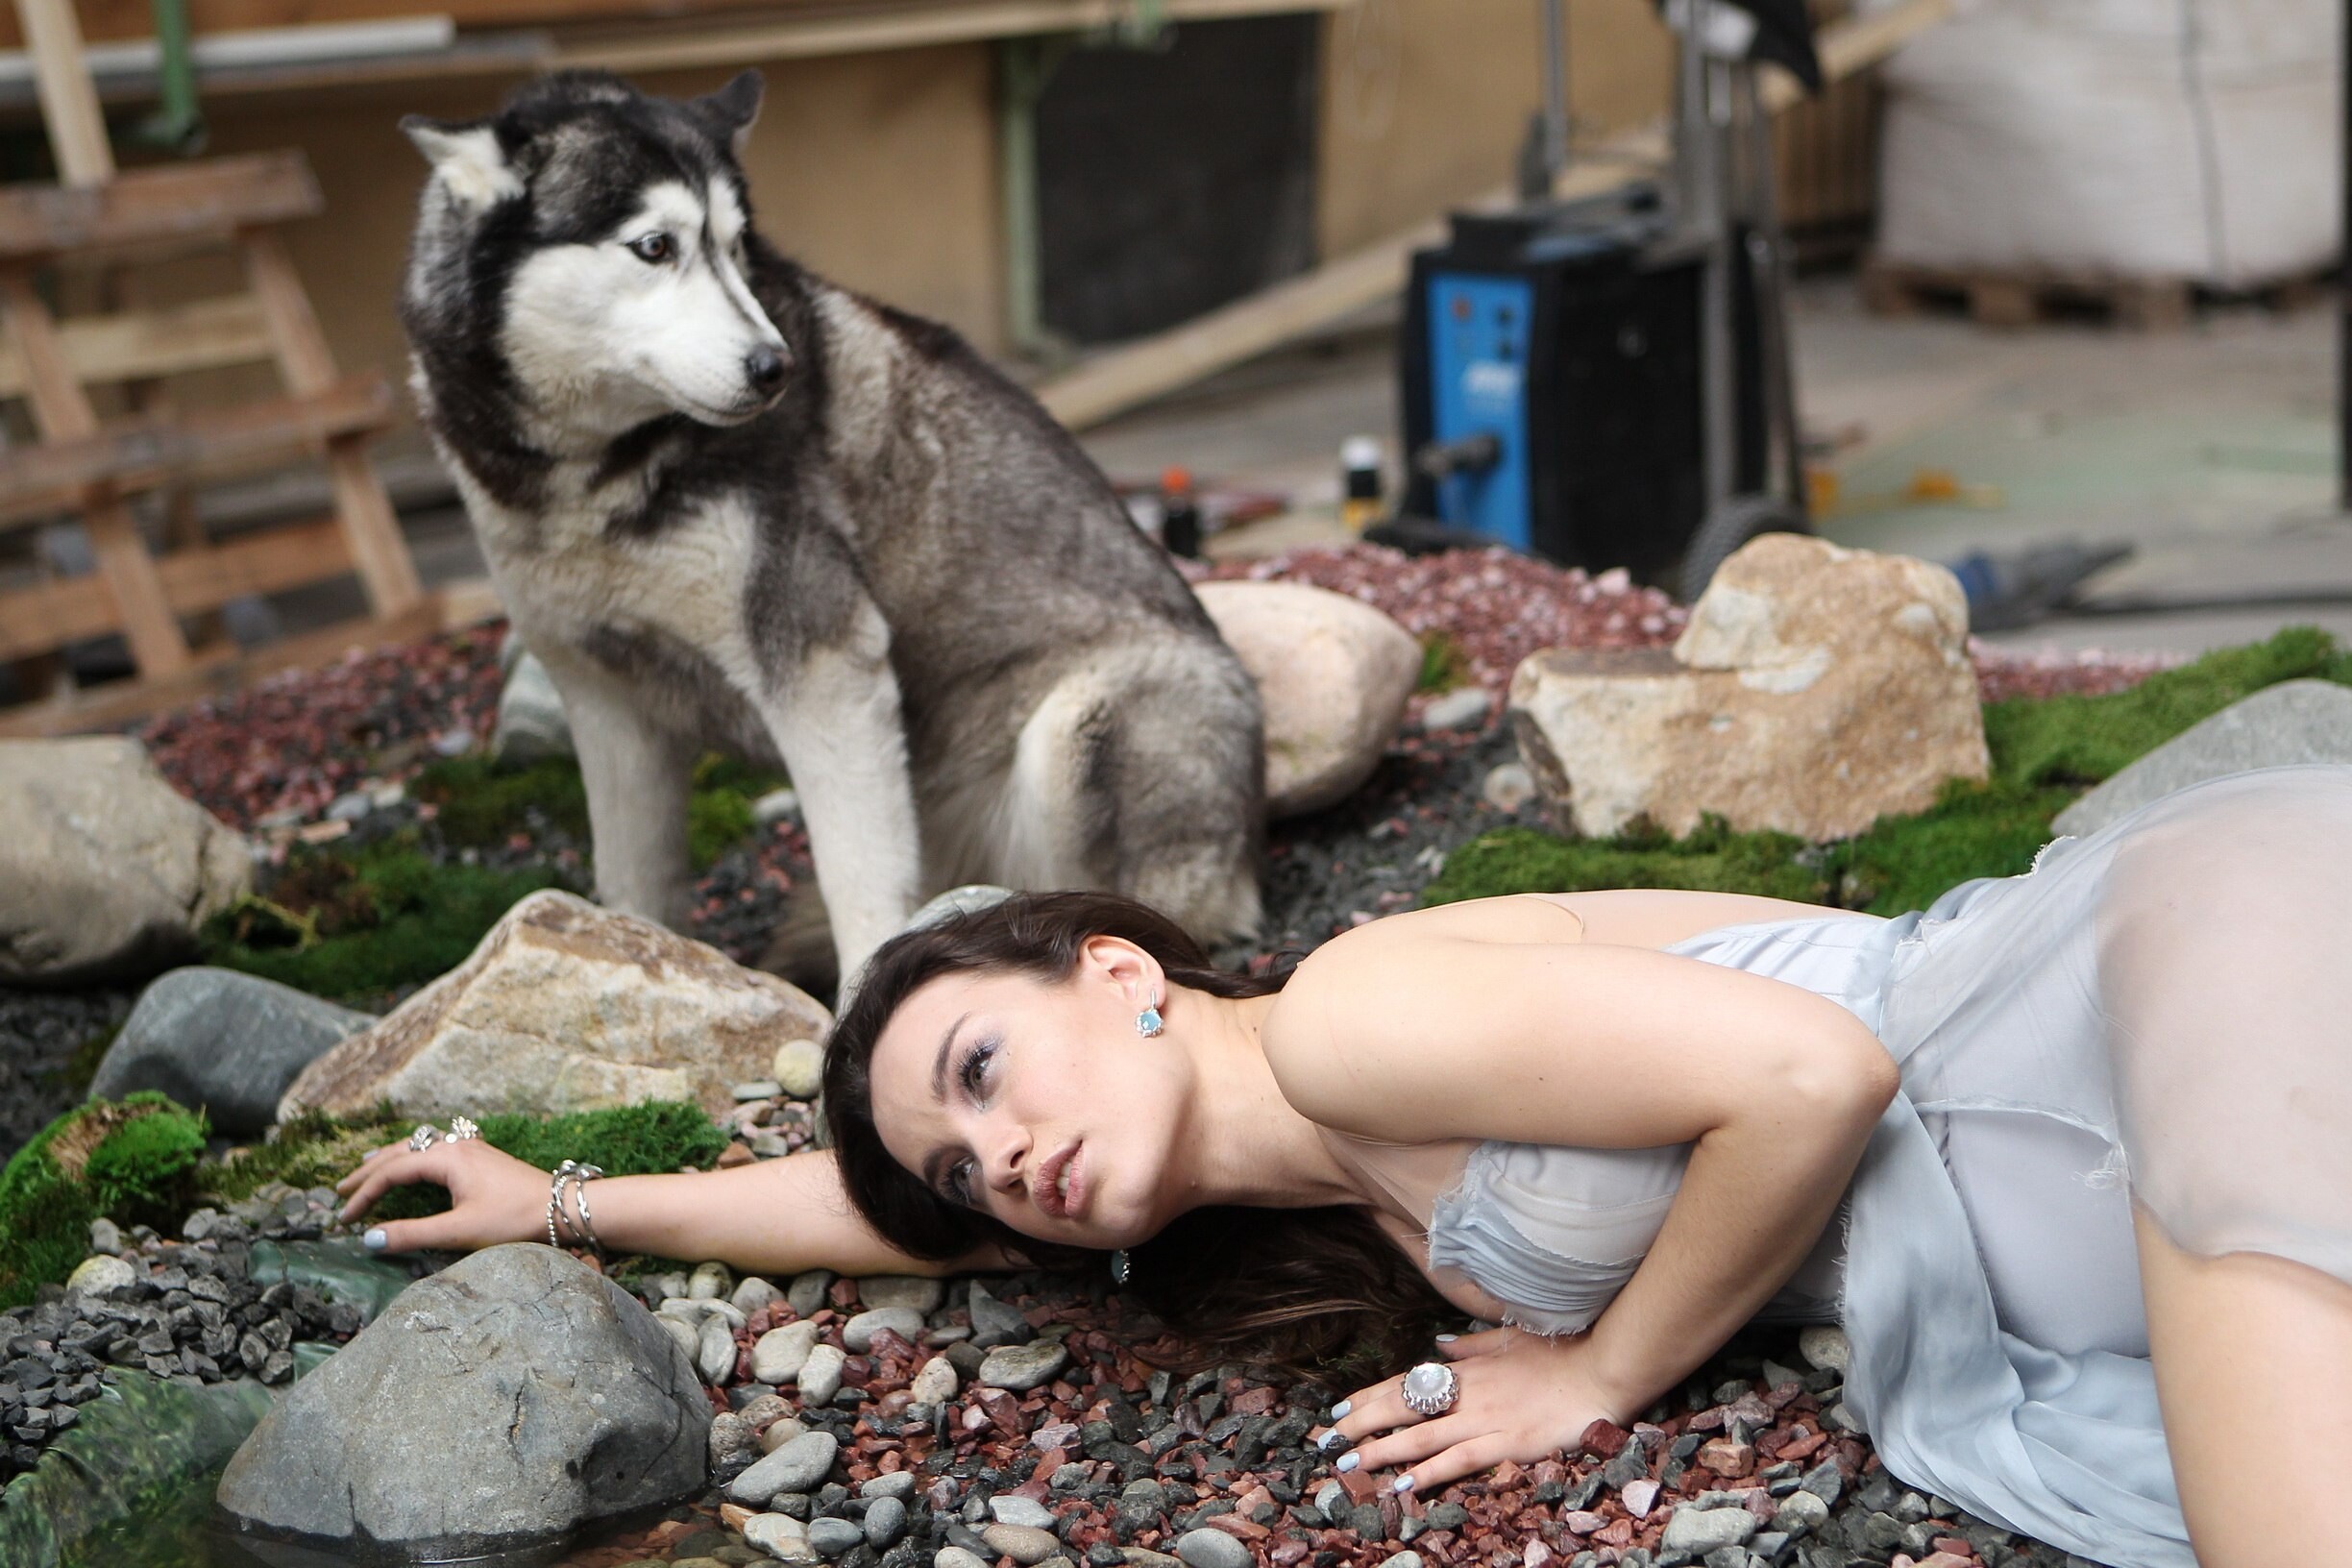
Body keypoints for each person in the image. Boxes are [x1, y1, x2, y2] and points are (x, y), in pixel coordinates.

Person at [336, 765, 2352, 1568]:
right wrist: (563, 1206)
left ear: (1117, 969)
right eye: (967, 1166)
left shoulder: (1351, 1018)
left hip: (2146, 1006)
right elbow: (874, 1218)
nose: (1001, 1160)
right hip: (2127, 1143)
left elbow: (1820, 1069)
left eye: (982, 1069)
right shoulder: (1326, 1190)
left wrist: (1601, 1374)